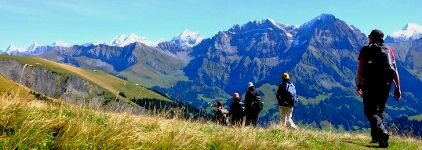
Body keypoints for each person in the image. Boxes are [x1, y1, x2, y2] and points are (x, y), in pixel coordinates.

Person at [356, 29, 401, 148]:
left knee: (369, 111)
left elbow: (360, 69)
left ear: (372, 37)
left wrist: (359, 84)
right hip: (386, 84)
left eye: (369, 36)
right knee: (379, 111)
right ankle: (378, 139)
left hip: (370, 83)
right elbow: (395, 70)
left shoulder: (366, 49)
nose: (368, 37)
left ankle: (382, 132)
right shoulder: (389, 50)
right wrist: (398, 88)